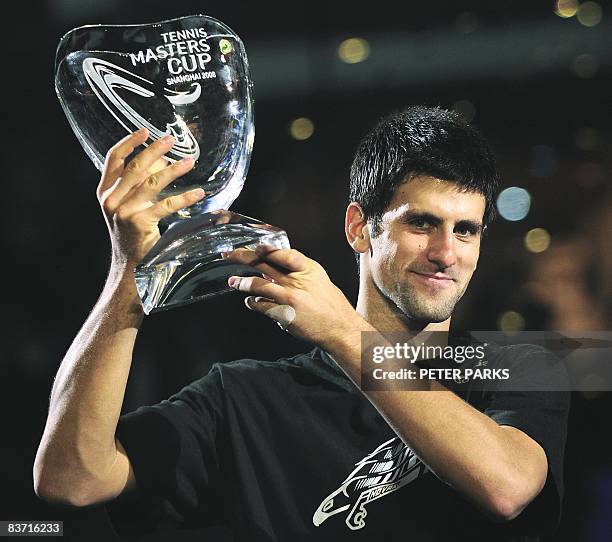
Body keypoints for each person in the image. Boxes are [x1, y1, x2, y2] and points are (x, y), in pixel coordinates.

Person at [34, 106, 570, 541]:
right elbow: (70, 480)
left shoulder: (529, 362)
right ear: (359, 228)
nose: (445, 253)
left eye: (466, 231)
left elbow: (507, 488)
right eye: (422, 223)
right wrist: (131, 272)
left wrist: (342, 331)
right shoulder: (246, 398)